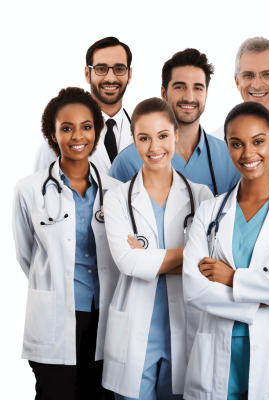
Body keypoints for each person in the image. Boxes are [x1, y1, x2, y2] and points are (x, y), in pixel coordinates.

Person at [183, 101, 269, 400]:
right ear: (227, 147)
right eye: (237, 144)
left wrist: (233, 278)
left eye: (258, 141)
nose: (248, 154)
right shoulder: (209, 213)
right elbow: (194, 290)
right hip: (219, 360)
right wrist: (267, 296)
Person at [101, 98, 213, 399]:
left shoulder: (202, 197)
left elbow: (209, 265)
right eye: (144, 138)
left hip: (185, 326)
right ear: (133, 141)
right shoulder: (116, 198)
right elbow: (128, 263)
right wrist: (188, 257)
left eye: (163, 135)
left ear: (176, 135)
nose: (155, 147)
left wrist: (146, 259)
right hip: (136, 333)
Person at [12, 87, 120, 399]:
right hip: (56, 315)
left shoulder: (115, 191)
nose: (78, 136)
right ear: (52, 133)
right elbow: (26, 255)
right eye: (66, 128)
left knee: (97, 394)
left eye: (86, 126)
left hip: (103, 314)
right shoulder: (29, 189)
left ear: (97, 131)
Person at [110, 48, 240, 196]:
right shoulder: (127, 162)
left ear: (206, 94)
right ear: (164, 93)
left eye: (197, 88)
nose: (189, 97)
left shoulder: (229, 157)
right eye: (180, 87)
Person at [33, 37, 133, 174]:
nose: (110, 78)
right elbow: (39, 190)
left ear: (129, 74)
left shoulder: (144, 137)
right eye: (101, 69)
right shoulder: (55, 142)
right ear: (87, 74)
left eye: (119, 69)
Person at [211, 37, 269, 171]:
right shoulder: (215, 144)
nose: (257, 85)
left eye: (267, 74)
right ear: (237, 81)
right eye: (248, 75)